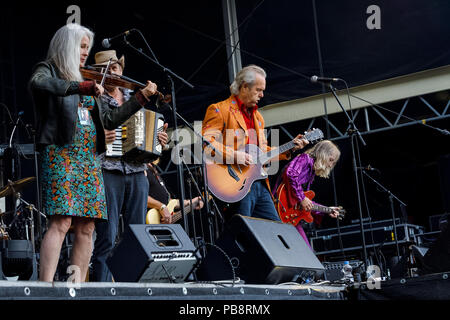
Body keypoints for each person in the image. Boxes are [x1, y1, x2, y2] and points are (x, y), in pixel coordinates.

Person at [28, 24, 160, 282]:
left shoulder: (86, 76)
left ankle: (74, 285)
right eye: (81, 46)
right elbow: (39, 84)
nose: (85, 53)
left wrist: (140, 99)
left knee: (87, 227)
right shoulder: (49, 69)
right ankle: (45, 286)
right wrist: (81, 87)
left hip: (88, 159)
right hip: (61, 155)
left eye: (87, 47)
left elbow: (109, 119)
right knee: (62, 222)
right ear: (67, 45)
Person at [89, 50, 169, 282]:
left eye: (115, 67)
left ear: (122, 71)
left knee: (138, 235)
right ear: (99, 73)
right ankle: (103, 291)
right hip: (109, 170)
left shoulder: (135, 98)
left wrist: (158, 142)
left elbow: (148, 140)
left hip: (137, 172)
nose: (112, 72)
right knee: (108, 235)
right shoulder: (97, 99)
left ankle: (135, 286)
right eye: (107, 68)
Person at [202, 64, 308, 221]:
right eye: (258, 90)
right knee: (242, 232)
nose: (262, 95)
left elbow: (262, 152)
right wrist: (235, 155)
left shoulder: (258, 118)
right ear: (244, 87)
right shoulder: (219, 110)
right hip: (236, 184)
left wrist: (290, 148)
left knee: (275, 229)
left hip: (259, 182)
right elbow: (207, 143)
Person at [274, 140, 342, 249]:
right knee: (305, 250)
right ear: (323, 153)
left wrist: (327, 210)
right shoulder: (305, 158)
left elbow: (307, 202)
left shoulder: (311, 172)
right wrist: (302, 198)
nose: (330, 165)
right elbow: (290, 174)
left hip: (291, 214)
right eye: (331, 160)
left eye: (333, 163)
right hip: (282, 207)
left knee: (305, 250)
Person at [146, 160, 204, 224]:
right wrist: (161, 207)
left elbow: (170, 202)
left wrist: (190, 202)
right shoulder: (141, 168)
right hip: (147, 217)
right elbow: (139, 196)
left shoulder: (154, 168)